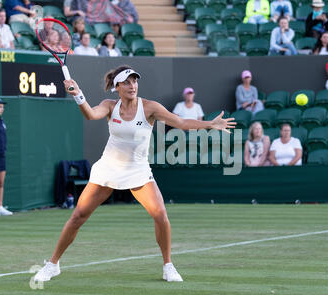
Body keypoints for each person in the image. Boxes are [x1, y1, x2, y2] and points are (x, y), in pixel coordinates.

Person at [33, 64, 236, 282]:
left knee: (160, 215)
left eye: (135, 81)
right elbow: (91, 115)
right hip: (109, 167)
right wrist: (78, 95)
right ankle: (53, 264)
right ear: (117, 86)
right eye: (127, 82)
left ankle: (168, 265)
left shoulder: (150, 107)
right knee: (78, 216)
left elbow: (181, 122)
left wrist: (210, 124)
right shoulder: (109, 105)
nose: (133, 86)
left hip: (137, 169)